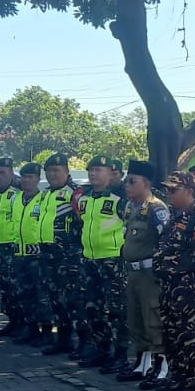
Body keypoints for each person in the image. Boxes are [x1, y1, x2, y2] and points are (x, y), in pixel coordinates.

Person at [154, 172, 195, 391]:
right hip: (171, 288)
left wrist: (168, 266)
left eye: (173, 190)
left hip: (190, 288)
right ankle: (178, 377)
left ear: (188, 190)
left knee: (193, 337)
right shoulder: (176, 216)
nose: (168, 194)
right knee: (172, 335)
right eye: (167, 190)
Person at [118, 161, 171, 383]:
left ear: (146, 183)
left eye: (133, 181)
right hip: (133, 273)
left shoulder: (156, 208)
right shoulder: (131, 207)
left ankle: (162, 366)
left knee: (153, 319)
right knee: (136, 318)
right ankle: (142, 363)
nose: (127, 186)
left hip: (150, 274)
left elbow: (165, 242)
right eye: (126, 181)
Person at [76, 154, 127, 369]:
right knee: (93, 309)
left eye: (99, 170)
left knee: (116, 310)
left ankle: (121, 355)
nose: (93, 174)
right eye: (91, 170)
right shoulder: (85, 199)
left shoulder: (119, 200)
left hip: (112, 260)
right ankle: (102, 350)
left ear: (110, 174)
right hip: (90, 260)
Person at [39, 152, 84, 357]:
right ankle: (63, 340)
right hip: (50, 256)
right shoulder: (46, 194)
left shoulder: (76, 193)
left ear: (67, 171)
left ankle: (85, 342)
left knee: (75, 301)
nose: (52, 174)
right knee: (56, 299)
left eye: (56, 170)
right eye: (48, 171)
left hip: (70, 257)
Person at [12, 162, 54, 346]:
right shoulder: (15, 199)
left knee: (41, 295)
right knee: (24, 294)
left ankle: (46, 331)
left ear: (38, 179)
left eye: (31, 177)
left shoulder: (43, 199)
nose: (27, 180)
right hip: (19, 254)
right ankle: (31, 328)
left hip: (37, 255)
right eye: (24, 177)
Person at [0, 156, 25, 338]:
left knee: (17, 287)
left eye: (3, 173)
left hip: (14, 247)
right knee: (3, 287)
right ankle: (12, 321)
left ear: (10, 173)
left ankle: (23, 323)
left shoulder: (18, 194)